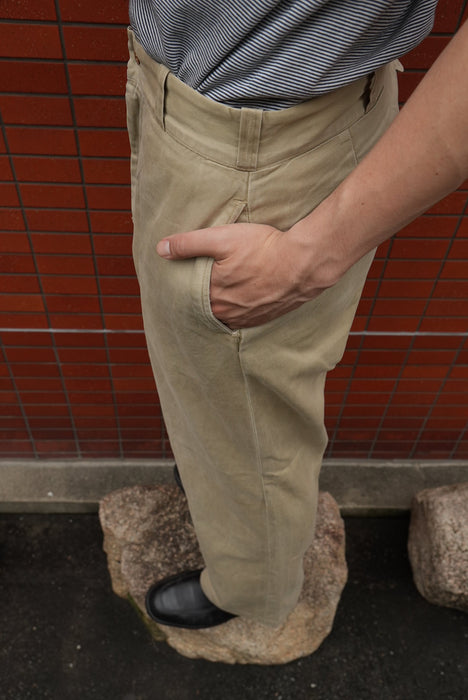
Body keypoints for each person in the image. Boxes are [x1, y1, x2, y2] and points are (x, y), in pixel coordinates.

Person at [126, 1, 467, 630]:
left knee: (252, 426)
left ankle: (250, 587)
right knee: (209, 385)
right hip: (185, 92)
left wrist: (311, 257)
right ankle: (216, 475)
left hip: (260, 141)